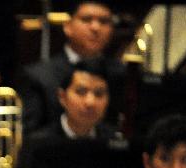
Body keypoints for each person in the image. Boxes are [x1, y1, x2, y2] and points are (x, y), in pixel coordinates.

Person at [20, 1, 123, 135]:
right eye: (86, 19)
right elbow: (30, 137)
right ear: (67, 26)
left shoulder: (122, 72)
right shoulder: (39, 75)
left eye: (104, 21)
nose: (96, 27)